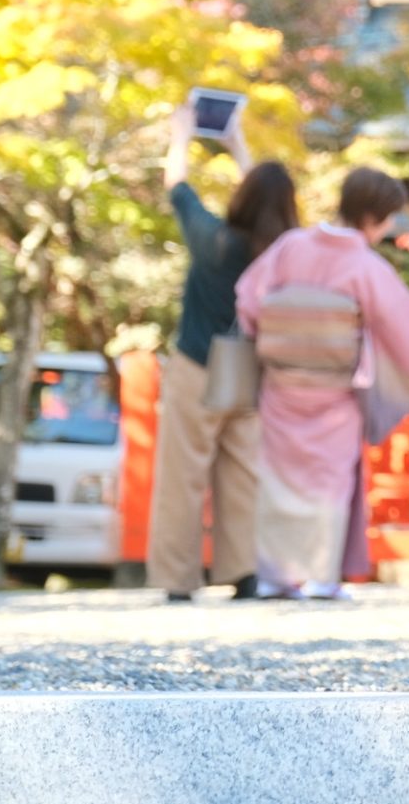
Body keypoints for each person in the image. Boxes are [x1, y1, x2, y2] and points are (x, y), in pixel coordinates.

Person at [235, 167, 409, 599]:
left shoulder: (290, 246)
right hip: (333, 391)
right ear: (377, 217)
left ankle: (274, 575)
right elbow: (407, 328)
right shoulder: (363, 264)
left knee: (278, 478)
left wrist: (279, 332)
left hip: (281, 384)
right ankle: (322, 576)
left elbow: (248, 298)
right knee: (329, 480)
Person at [148, 106, 299, 603]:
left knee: (182, 474)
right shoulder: (285, 252)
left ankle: (177, 578)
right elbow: (265, 200)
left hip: (197, 364)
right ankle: (244, 570)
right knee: (244, 474)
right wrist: (237, 145)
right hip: (252, 373)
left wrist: (182, 135)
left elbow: (177, 186)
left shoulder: (214, 241)